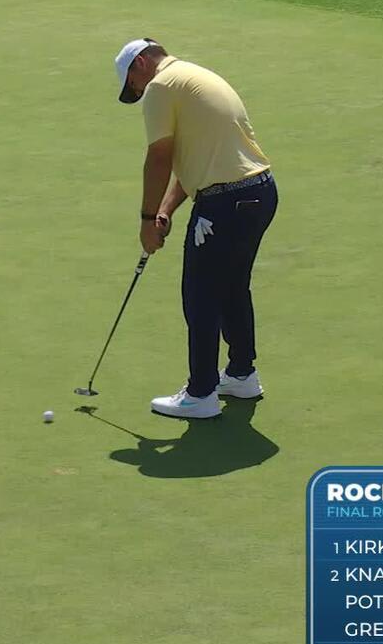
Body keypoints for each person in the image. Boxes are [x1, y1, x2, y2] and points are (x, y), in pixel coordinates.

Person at [114, 38, 278, 419]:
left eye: (132, 85)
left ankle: (201, 393)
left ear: (140, 64)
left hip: (224, 204)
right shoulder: (194, 77)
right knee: (232, 288)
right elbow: (195, 162)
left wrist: (145, 219)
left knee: (201, 294)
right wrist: (166, 211)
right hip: (259, 193)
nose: (137, 93)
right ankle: (241, 374)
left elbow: (159, 157)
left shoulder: (160, 86)